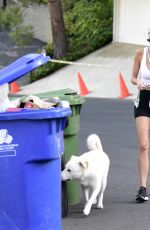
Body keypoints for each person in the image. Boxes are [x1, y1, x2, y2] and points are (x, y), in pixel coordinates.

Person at [131, 28, 150, 203]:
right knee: (144, 145)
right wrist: (139, 83)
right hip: (143, 101)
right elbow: (132, 77)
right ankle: (142, 188)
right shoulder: (140, 53)